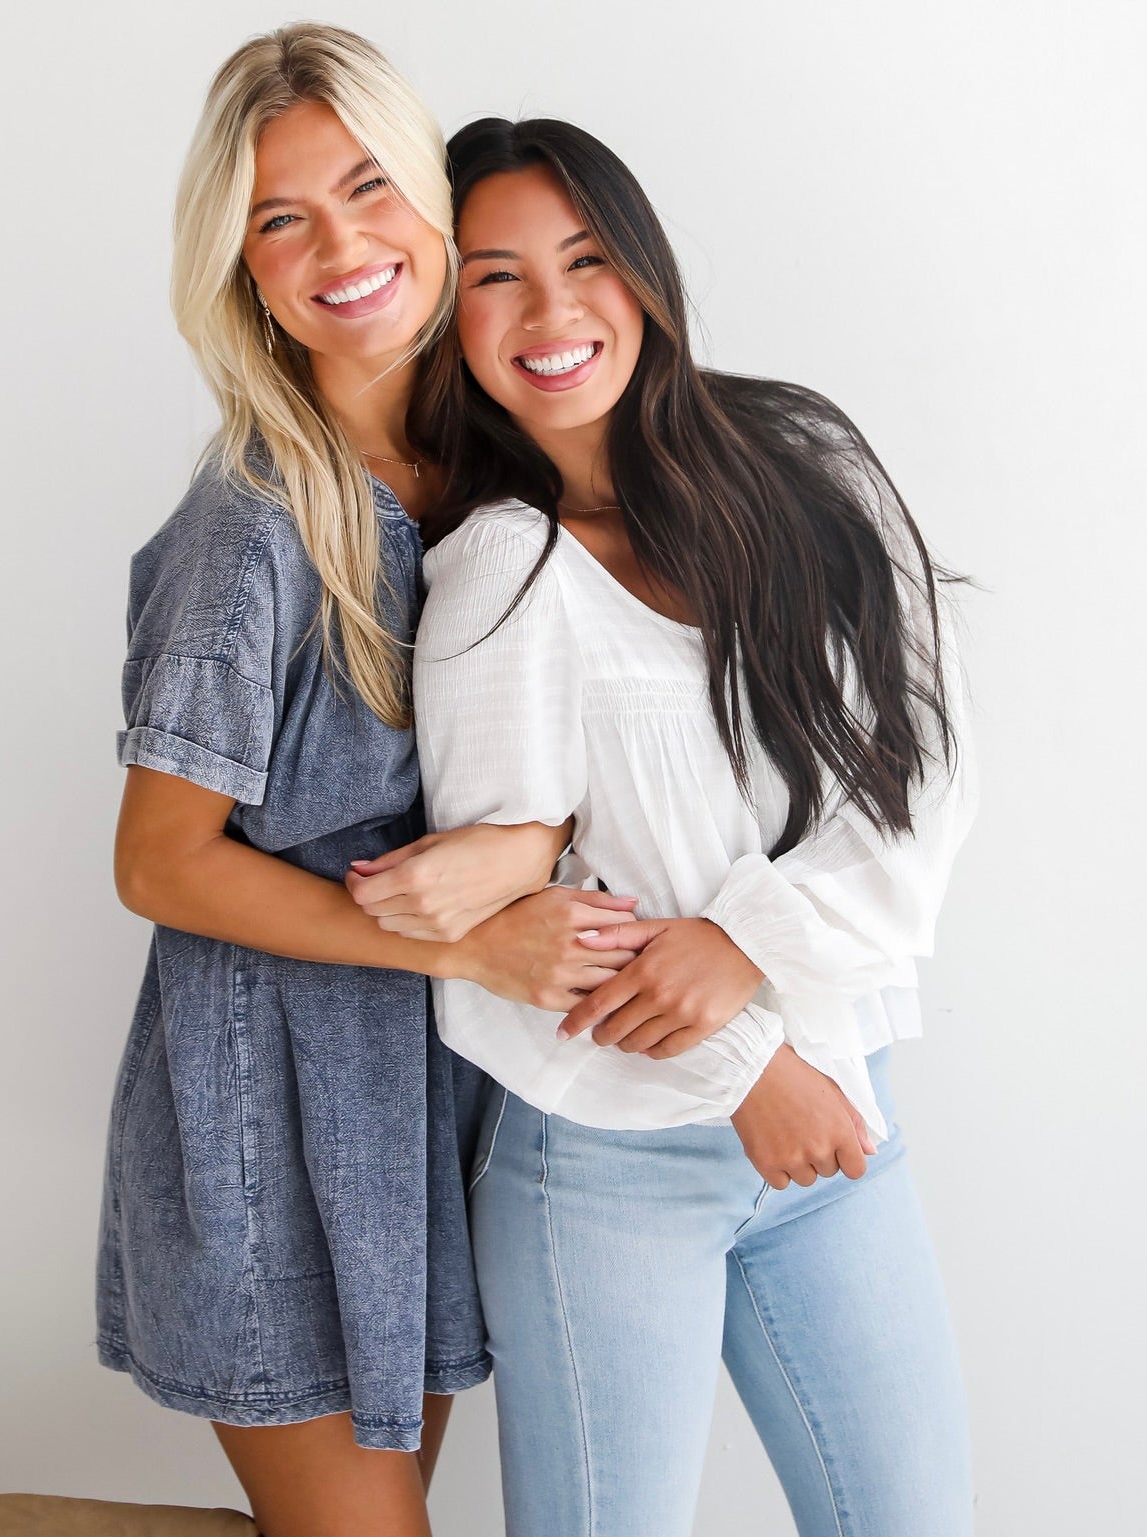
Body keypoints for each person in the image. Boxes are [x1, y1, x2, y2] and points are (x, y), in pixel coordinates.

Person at [362, 118, 979, 1536]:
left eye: (584, 259)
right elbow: (525, 928)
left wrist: (744, 941)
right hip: (606, 1168)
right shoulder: (499, 572)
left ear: (644, 271)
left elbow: (922, 764)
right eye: (495, 275)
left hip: (838, 1121)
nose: (553, 309)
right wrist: (750, 1062)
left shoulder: (799, 458)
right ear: (448, 319)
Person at [97, 43, 638, 1537]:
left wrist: (524, 848)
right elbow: (160, 861)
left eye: (367, 187)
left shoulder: (494, 470)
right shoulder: (252, 530)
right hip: (269, 1115)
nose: (339, 246)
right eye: (281, 220)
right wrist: (460, 938)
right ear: (242, 270)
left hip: (433, 1105)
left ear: (434, 200)